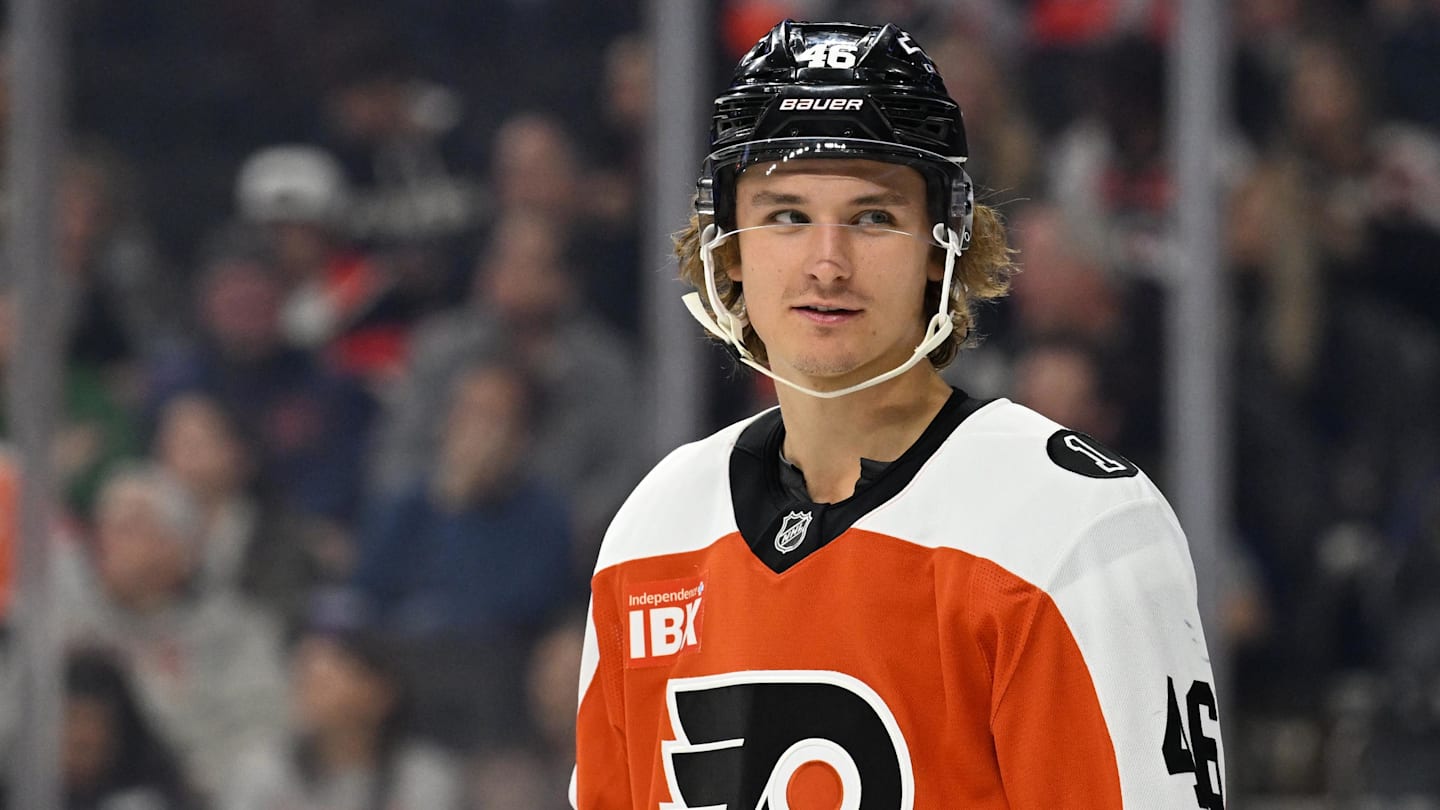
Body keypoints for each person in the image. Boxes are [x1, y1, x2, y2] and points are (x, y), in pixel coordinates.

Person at [572, 20, 1226, 809]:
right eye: (785, 215)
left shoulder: (1072, 524)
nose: (826, 262)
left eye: (873, 217)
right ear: (728, 248)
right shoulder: (657, 529)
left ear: (943, 243)